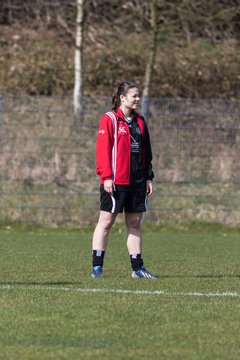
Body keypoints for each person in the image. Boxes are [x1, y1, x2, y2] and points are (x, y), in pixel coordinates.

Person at [91, 81, 157, 279]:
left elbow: (147, 153)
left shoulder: (140, 122)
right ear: (122, 98)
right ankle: (97, 267)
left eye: (139, 96)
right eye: (134, 95)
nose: (138, 99)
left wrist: (148, 177)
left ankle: (138, 268)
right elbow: (102, 151)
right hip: (115, 181)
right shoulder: (109, 119)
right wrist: (106, 177)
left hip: (137, 181)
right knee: (106, 222)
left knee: (135, 222)